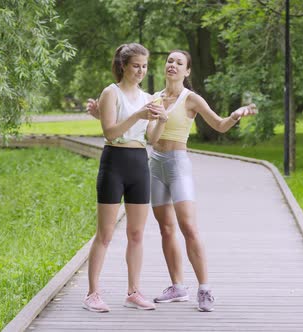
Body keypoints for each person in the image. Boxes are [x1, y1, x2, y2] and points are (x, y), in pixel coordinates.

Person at [87, 49, 257, 312]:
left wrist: (235, 116)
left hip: (176, 165)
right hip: (152, 164)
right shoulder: (151, 98)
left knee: (187, 226)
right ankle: (177, 286)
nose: (173, 65)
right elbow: (128, 119)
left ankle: (204, 288)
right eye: (169, 61)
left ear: (187, 71)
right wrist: (101, 114)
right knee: (165, 228)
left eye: (179, 63)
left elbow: (220, 125)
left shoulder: (191, 99)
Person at [82, 43, 167, 313]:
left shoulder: (150, 98)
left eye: (144, 66)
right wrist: (137, 115)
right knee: (105, 234)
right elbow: (110, 132)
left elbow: (151, 139)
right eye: (136, 66)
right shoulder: (111, 92)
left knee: (137, 233)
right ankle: (92, 294)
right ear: (123, 66)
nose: (141, 71)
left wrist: (161, 119)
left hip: (140, 163)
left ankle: (133, 291)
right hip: (114, 163)